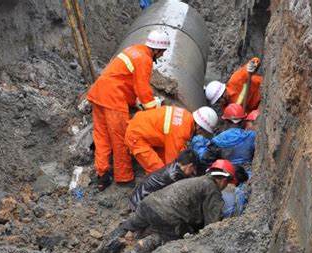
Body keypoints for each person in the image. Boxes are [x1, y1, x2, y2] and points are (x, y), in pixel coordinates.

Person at [94, 159, 237, 253]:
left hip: (147, 203)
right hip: (165, 214)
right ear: (224, 180)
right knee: (171, 236)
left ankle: (103, 247)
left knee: (129, 224)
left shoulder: (198, 181)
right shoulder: (212, 189)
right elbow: (212, 225)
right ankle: (139, 248)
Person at [86, 30, 170, 191]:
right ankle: (124, 177)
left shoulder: (135, 49)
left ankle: (102, 175)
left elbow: (124, 79)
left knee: (102, 136)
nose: (162, 56)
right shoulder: (144, 59)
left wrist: (134, 101)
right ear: (157, 50)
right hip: (113, 98)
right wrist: (153, 110)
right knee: (120, 138)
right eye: (162, 53)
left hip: (99, 93)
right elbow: (143, 89)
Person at [125, 105, 218, 174]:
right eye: (203, 132)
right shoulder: (181, 132)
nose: (200, 135)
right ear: (199, 127)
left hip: (142, 126)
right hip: (136, 136)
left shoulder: (186, 116)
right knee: (160, 172)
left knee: (162, 163)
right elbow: (172, 162)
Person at [128, 149, 198, 212]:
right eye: (193, 170)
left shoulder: (174, 165)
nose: (193, 172)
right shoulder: (174, 176)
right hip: (140, 203)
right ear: (190, 166)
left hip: (136, 197)